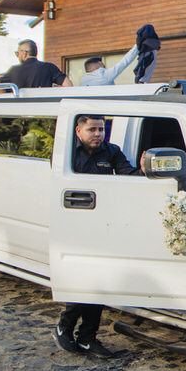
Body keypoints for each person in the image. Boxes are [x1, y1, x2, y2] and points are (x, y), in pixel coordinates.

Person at [54, 114, 139, 358]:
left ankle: (87, 337)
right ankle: (65, 326)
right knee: (84, 280)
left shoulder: (111, 151)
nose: (98, 134)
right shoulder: (66, 154)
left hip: (101, 225)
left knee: (99, 281)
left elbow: (127, 174)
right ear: (78, 130)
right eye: (92, 129)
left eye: (101, 129)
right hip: (73, 224)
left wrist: (144, 170)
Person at [0, 40, 73, 88]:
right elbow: (68, 85)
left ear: (24, 53)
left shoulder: (14, 70)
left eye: (18, 53)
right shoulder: (49, 67)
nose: (17, 56)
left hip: (19, 109)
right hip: (45, 108)